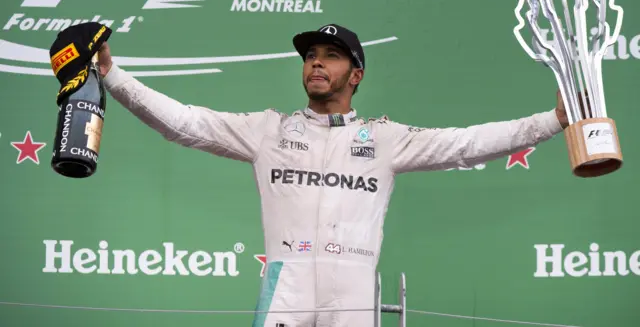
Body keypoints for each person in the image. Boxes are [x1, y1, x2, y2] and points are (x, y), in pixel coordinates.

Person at [97, 23, 569, 327]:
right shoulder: (268, 131)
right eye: (310, 55)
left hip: (354, 286)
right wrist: (112, 76)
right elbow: (184, 122)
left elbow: (466, 144)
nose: (316, 62)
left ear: (356, 74)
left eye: (331, 55)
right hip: (287, 283)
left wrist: (552, 121)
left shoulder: (384, 138)